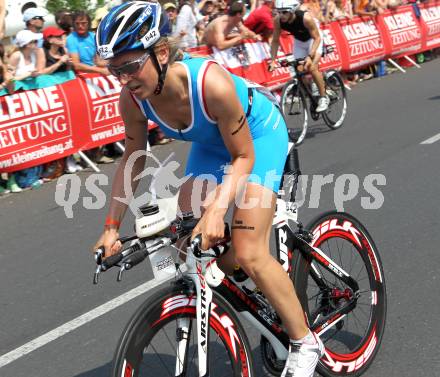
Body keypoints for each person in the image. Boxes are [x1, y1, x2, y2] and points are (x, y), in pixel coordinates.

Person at [94, 2, 324, 377]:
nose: (124, 78)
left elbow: (244, 156)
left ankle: (304, 341)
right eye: (115, 69)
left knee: (248, 250)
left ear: (162, 52)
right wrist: (110, 227)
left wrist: (219, 209)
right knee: (188, 243)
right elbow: (132, 158)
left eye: (131, 65)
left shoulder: (210, 84)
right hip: (212, 145)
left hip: (258, 138)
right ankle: (260, 293)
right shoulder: (132, 98)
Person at [270, 0, 329, 112]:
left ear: (292, 11)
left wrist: (310, 56)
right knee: (299, 70)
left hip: (313, 39)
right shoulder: (278, 20)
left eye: (284, 12)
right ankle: (313, 92)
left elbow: (317, 38)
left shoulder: (305, 18)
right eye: (279, 12)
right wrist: (273, 60)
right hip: (299, 41)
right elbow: (275, 41)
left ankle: (323, 97)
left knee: (312, 67)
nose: (281, 15)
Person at [66, 10, 109, 75]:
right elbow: (76, 65)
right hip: (82, 73)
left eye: (83, 23)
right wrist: (101, 70)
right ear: (73, 24)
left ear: (88, 24)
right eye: (77, 23)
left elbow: (106, 57)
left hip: (99, 69)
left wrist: (101, 64)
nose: (80, 26)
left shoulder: (95, 36)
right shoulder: (70, 39)